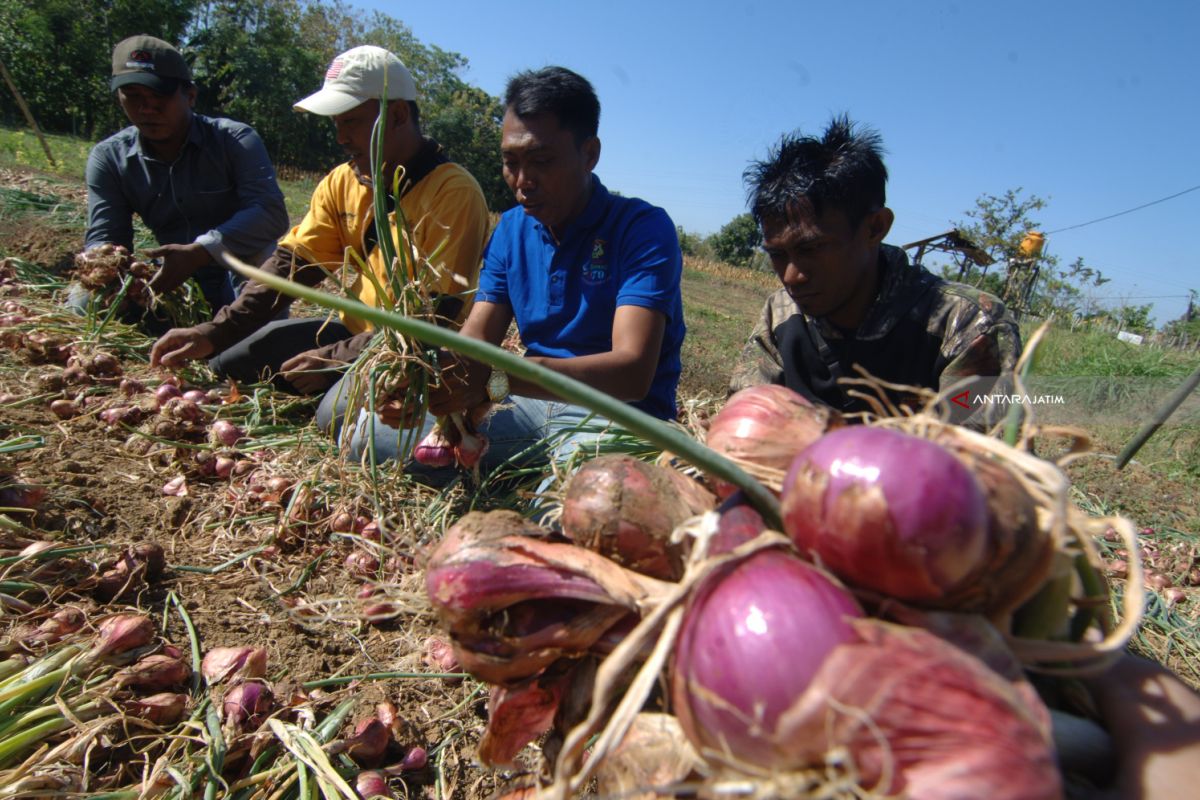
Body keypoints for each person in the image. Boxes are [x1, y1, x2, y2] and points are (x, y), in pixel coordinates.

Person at [350, 65, 685, 482]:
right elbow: (477, 339)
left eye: (541, 161)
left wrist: (496, 378)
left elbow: (632, 373)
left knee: (581, 494)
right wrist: (436, 379)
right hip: (529, 401)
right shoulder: (511, 228)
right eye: (511, 162)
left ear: (589, 154)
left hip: (617, 414)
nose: (523, 181)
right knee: (367, 439)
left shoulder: (642, 228)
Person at [149, 45, 490, 434]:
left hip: (416, 350)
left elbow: (434, 318)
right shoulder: (342, 180)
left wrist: (334, 359)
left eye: (352, 122)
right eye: (336, 124)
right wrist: (214, 331)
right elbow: (291, 265)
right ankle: (326, 383)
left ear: (396, 115)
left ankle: (355, 399)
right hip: (354, 332)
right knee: (228, 362)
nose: (341, 137)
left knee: (335, 418)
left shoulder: (453, 192)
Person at [728, 115, 1021, 424]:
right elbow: (744, 423)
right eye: (777, 254)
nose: (791, 277)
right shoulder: (783, 312)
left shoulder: (966, 326)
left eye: (811, 249)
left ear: (875, 228)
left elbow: (982, 464)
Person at [81, 34, 288, 321]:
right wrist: (107, 266)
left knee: (263, 257)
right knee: (83, 302)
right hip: (171, 283)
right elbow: (106, 237)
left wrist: (202, 251)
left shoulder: (234, 140)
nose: (147, 108)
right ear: (119, 97)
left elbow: (270, 212)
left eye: (159, 96)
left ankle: (248, 337)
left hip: (235, 274)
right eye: (134, 97)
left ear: (189, 95)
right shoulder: (110, 158)